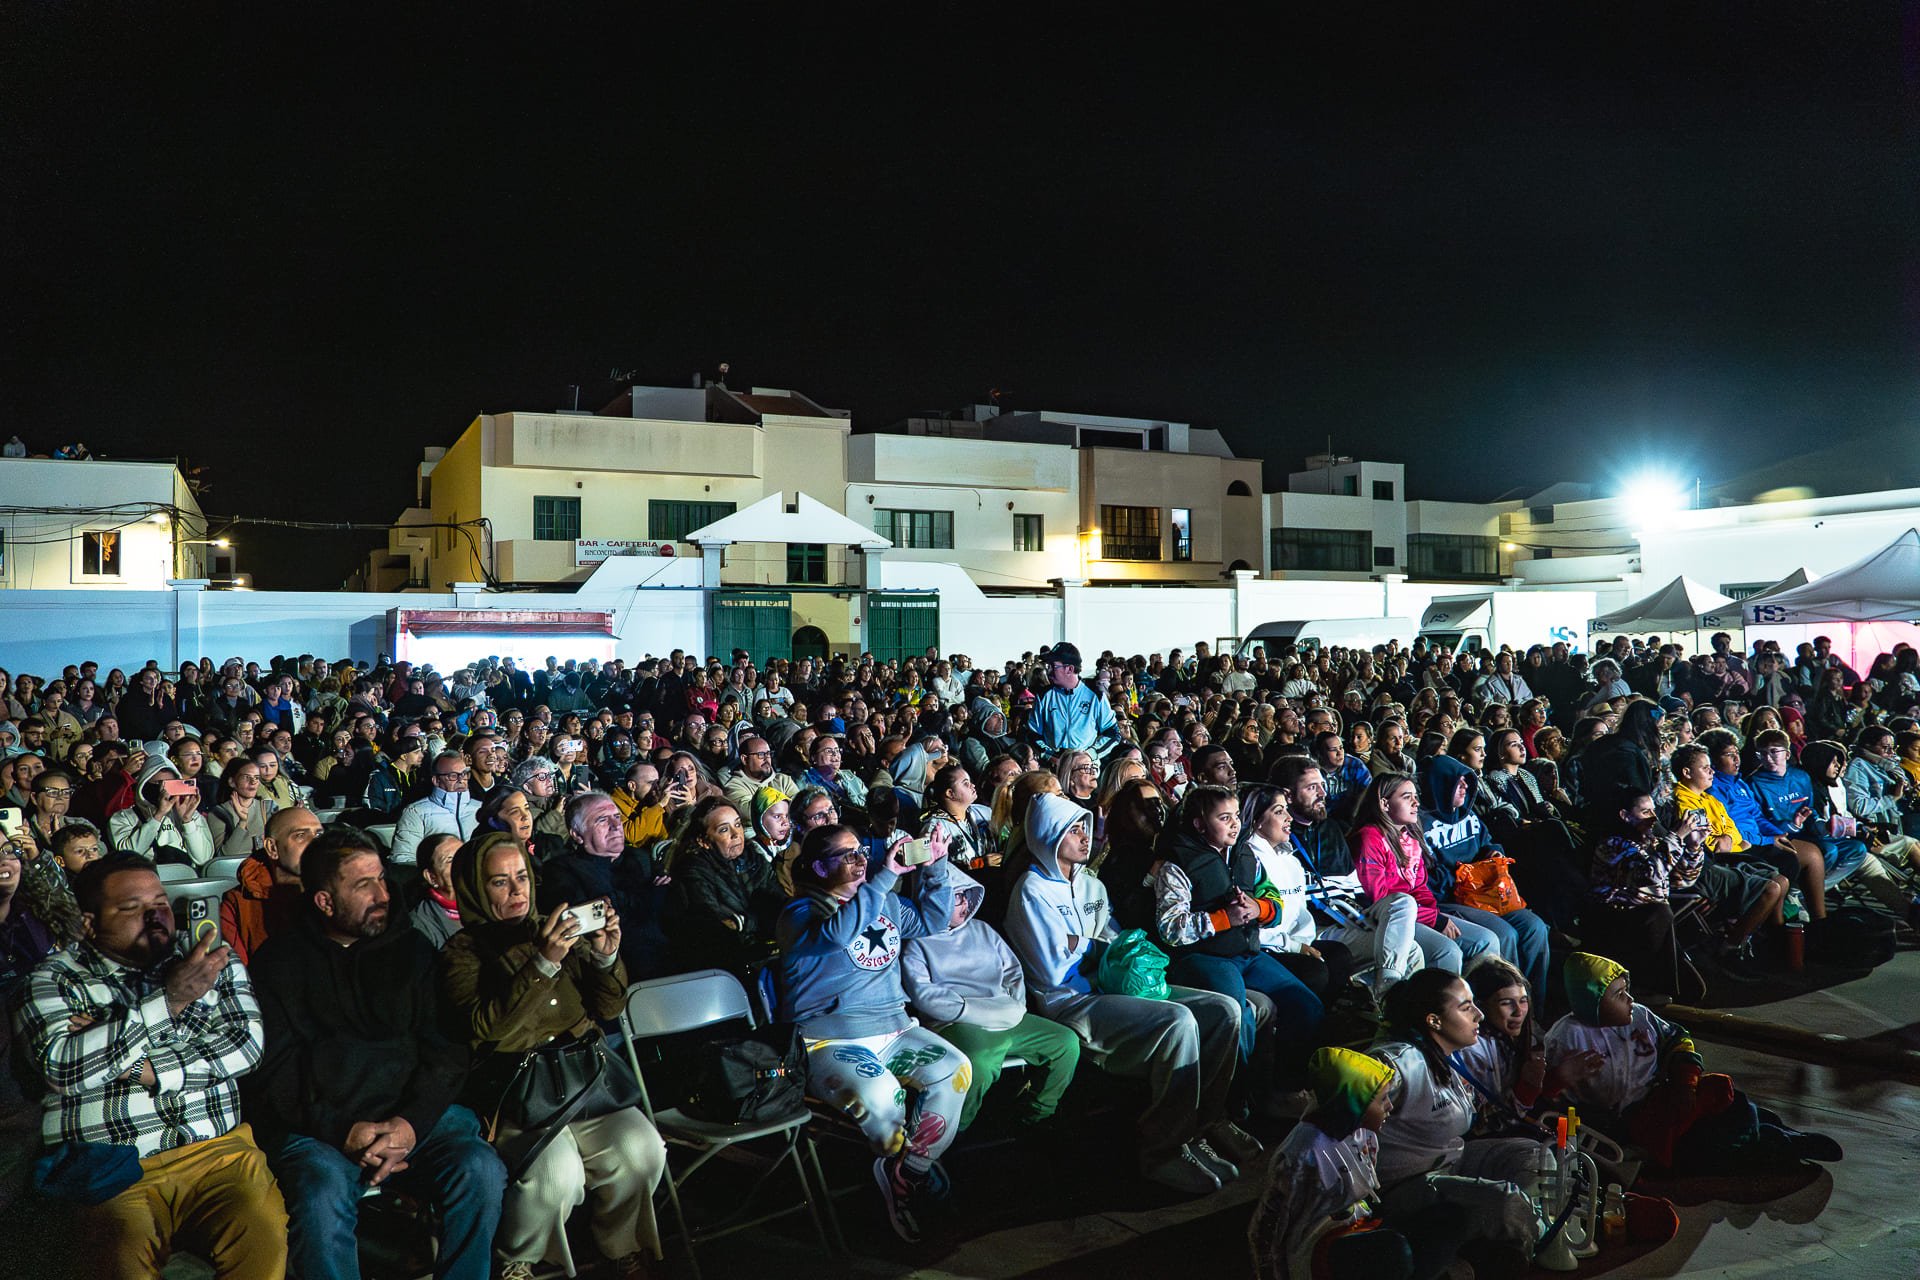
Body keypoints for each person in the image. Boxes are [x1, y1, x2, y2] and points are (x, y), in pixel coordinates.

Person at [246, 828, 506, 1280]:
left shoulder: (412, 949)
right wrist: (342, 1130)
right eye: (362, 885)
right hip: (323, 1129)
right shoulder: (279, 964)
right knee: (319, 1195)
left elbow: (446, 1052)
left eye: (382, 879)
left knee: (480, 1170)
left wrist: (410, 1124)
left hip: (415, 1121)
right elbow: (275, 1074)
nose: (382, 893)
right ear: (324, 901)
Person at [14, 853, 288, 1279]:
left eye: (160, 900)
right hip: (111, 1161)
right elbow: (64, 1069)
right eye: (131, 908)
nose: (155, 914)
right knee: (121, 1256)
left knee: (262, 1236)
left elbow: (245, 1048)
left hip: (218, 1151)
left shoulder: (208, 958)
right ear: (89, 923)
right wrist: (170, 1001)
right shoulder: (54, 979)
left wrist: (139, 1067)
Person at [440, 830, 666, 1279]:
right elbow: (488, 1030)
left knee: (643, 1150)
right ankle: (518, 1257)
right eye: (499, 882)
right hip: (522, 1092)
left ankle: (619, 1243)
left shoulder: (554, 927)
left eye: (521, 876)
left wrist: (605, 958)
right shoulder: (462, 952)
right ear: (475, 889)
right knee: (555, 1176)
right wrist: (542, 964)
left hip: (584, 1080)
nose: (517, 890)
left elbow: (608, 1007)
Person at [1002, 792, 1251, 1195]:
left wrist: (1085, 945)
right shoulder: (1031, 892)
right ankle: (1162, 1149)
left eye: (1085, 827)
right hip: (1073, 1003)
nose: (1085, 837)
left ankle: (1203, 1124)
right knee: (1178, 1021)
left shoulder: (1090, 885)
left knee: (1223, 1010)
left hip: (1114, 987)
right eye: (1073, 830)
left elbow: (1117, 940)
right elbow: (1053, 969)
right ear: (1049, 836)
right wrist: (1100, 949)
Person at [777, 821, 967, 1242]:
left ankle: (907, 1173)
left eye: (860, 850)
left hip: (894, 1028)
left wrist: (935, 867)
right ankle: (904, 1180)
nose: (859, 858)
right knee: (882, 1095)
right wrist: (883, 878)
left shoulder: (884, 901)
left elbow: (935, 920)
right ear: (819, 869)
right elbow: (839, 933)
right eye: (845, 855)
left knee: (955, 1069)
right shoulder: (799, 913)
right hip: (830, 1039)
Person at [1545, 953, 1842, 1173]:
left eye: (1627, 990)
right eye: (1619, 994)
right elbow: (1544, 1099)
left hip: (1667, 1096)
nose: (1630, 999)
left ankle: (1776, 1133)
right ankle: (1775, 1142)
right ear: (1592, 1002)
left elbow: (1678, 1039)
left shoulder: (1640, 1016)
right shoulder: (1566, 1038)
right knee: (1701, 1147)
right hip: (1631, 1122)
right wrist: (1561, 1076)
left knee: (1721, 1095)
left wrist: (1685, 1084)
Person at [1248, 1046, 1473, 1280]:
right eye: (1382, 1099)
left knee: (1450, 1217)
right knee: (1392, 1251)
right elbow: (1267, 1230)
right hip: (1321, 1247)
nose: (1390, 1106)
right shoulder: (1303, 1156)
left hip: (1361, 1225)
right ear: (1354, 1102)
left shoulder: (1362, 1132)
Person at [1154, 784, 1324, 1075]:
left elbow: (1273, 900)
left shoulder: (1246, 856)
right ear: (1199, 824)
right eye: (1224, 818)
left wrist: (1258, 909)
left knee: (1306, 1003)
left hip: (1247, 953)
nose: (1235, 823)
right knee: (1238, 1015)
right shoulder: (1178, 864)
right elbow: (1171, 927)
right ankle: (1236, 1099)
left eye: (1236, 815)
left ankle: (1285, 1085)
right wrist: (1224, 918)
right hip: (1205, 957)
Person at [900, 861, 1082, 1132]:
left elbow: (1012, 971)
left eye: (965, 895)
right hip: (955, 1023)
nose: (963, 903)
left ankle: (1037, 1116)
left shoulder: (983, 929)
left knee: (1066, 1042)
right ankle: (954, 1131)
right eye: (954, 896)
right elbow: (923, 994)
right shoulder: (916, 942)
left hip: (1004, 1012)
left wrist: (1014, 1004)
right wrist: (965, 1009)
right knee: (980, 1064)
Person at [1370, 969, 1540, 1258]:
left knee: (1533, 1153)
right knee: (1504, 1202)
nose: (1479, 1015)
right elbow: (1348, 1105)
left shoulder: (1446, 1057)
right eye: (1465, 1007)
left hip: (1452, 1160)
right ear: (1434, 1020)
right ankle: (1538, 1243)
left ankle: (1520, 1238)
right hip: (1404, 1184)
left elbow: (1484, 1119)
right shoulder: (1398, 1062)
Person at [1415, 755, 1549, 997]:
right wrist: (1460, 875)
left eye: (1467, 781)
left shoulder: (1469, 815)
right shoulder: (1421, 824)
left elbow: (1487, 842)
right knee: (1504, 934)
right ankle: (1502, 1006)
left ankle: (1531, 1007)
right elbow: (1424, 878)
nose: (1466, 786)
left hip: (1485, 893)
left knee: (1535, 928)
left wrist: (1492, 852)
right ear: (1441, 784)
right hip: (1452, 898)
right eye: (1459, 782)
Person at [1349, 772, 1498, 977]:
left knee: (1487, 939)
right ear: (1384, 804)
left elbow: (1418, 886)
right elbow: (1379, 899)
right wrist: (1433, 919)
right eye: (1406, 797)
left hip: (1419, 914)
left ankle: (1478, 1004)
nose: (1416, 802)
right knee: (1447, 952)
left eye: (1415, 795)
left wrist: (1433, 913)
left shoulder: (1409, 835)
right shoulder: (1369, 838)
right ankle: (1443, 1006)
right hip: (1389, 920)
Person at [218, 805, 323, 963]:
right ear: (272, 848)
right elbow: (241, 973)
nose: (314, 843)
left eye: (318, 835)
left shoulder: (335, 890)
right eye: (301, 835)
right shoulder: (238, 904)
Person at [390, 750, 483, 865]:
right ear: (436, 780)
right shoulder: (416, 812)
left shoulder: (480, 808)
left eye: (464, 774)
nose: (461, 780)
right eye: (452, 776)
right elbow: (402, 859)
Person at [1029, 642, 1121, 758]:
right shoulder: (1043, 696)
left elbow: (1112, 733)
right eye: (1048, 666)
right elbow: (1033, 733)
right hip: (1053, 769)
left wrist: (1090, 754)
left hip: (1086, 769)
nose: (1049, 671)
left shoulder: (1095, 696)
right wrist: (1049, 755)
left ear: (1070, 669)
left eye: (1053, 666)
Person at [411, 831, 464, 947]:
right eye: (450, 860)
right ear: (431, 877)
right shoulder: (420, 926)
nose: (462, 863)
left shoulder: (490, 903)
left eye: (464, 855)